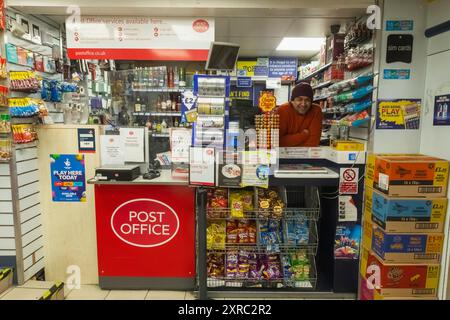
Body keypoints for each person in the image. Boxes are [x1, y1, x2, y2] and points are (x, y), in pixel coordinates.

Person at [277, 82, 323, 147]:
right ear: (292, 101)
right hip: (282, 154)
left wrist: (290, 141)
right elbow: (278, 141)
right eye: (299, 99)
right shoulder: (283, 110)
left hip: (307, 155)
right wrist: (304, 135)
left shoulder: (316, 110)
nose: (303, 104)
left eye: (307, 100)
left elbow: (313, 143)